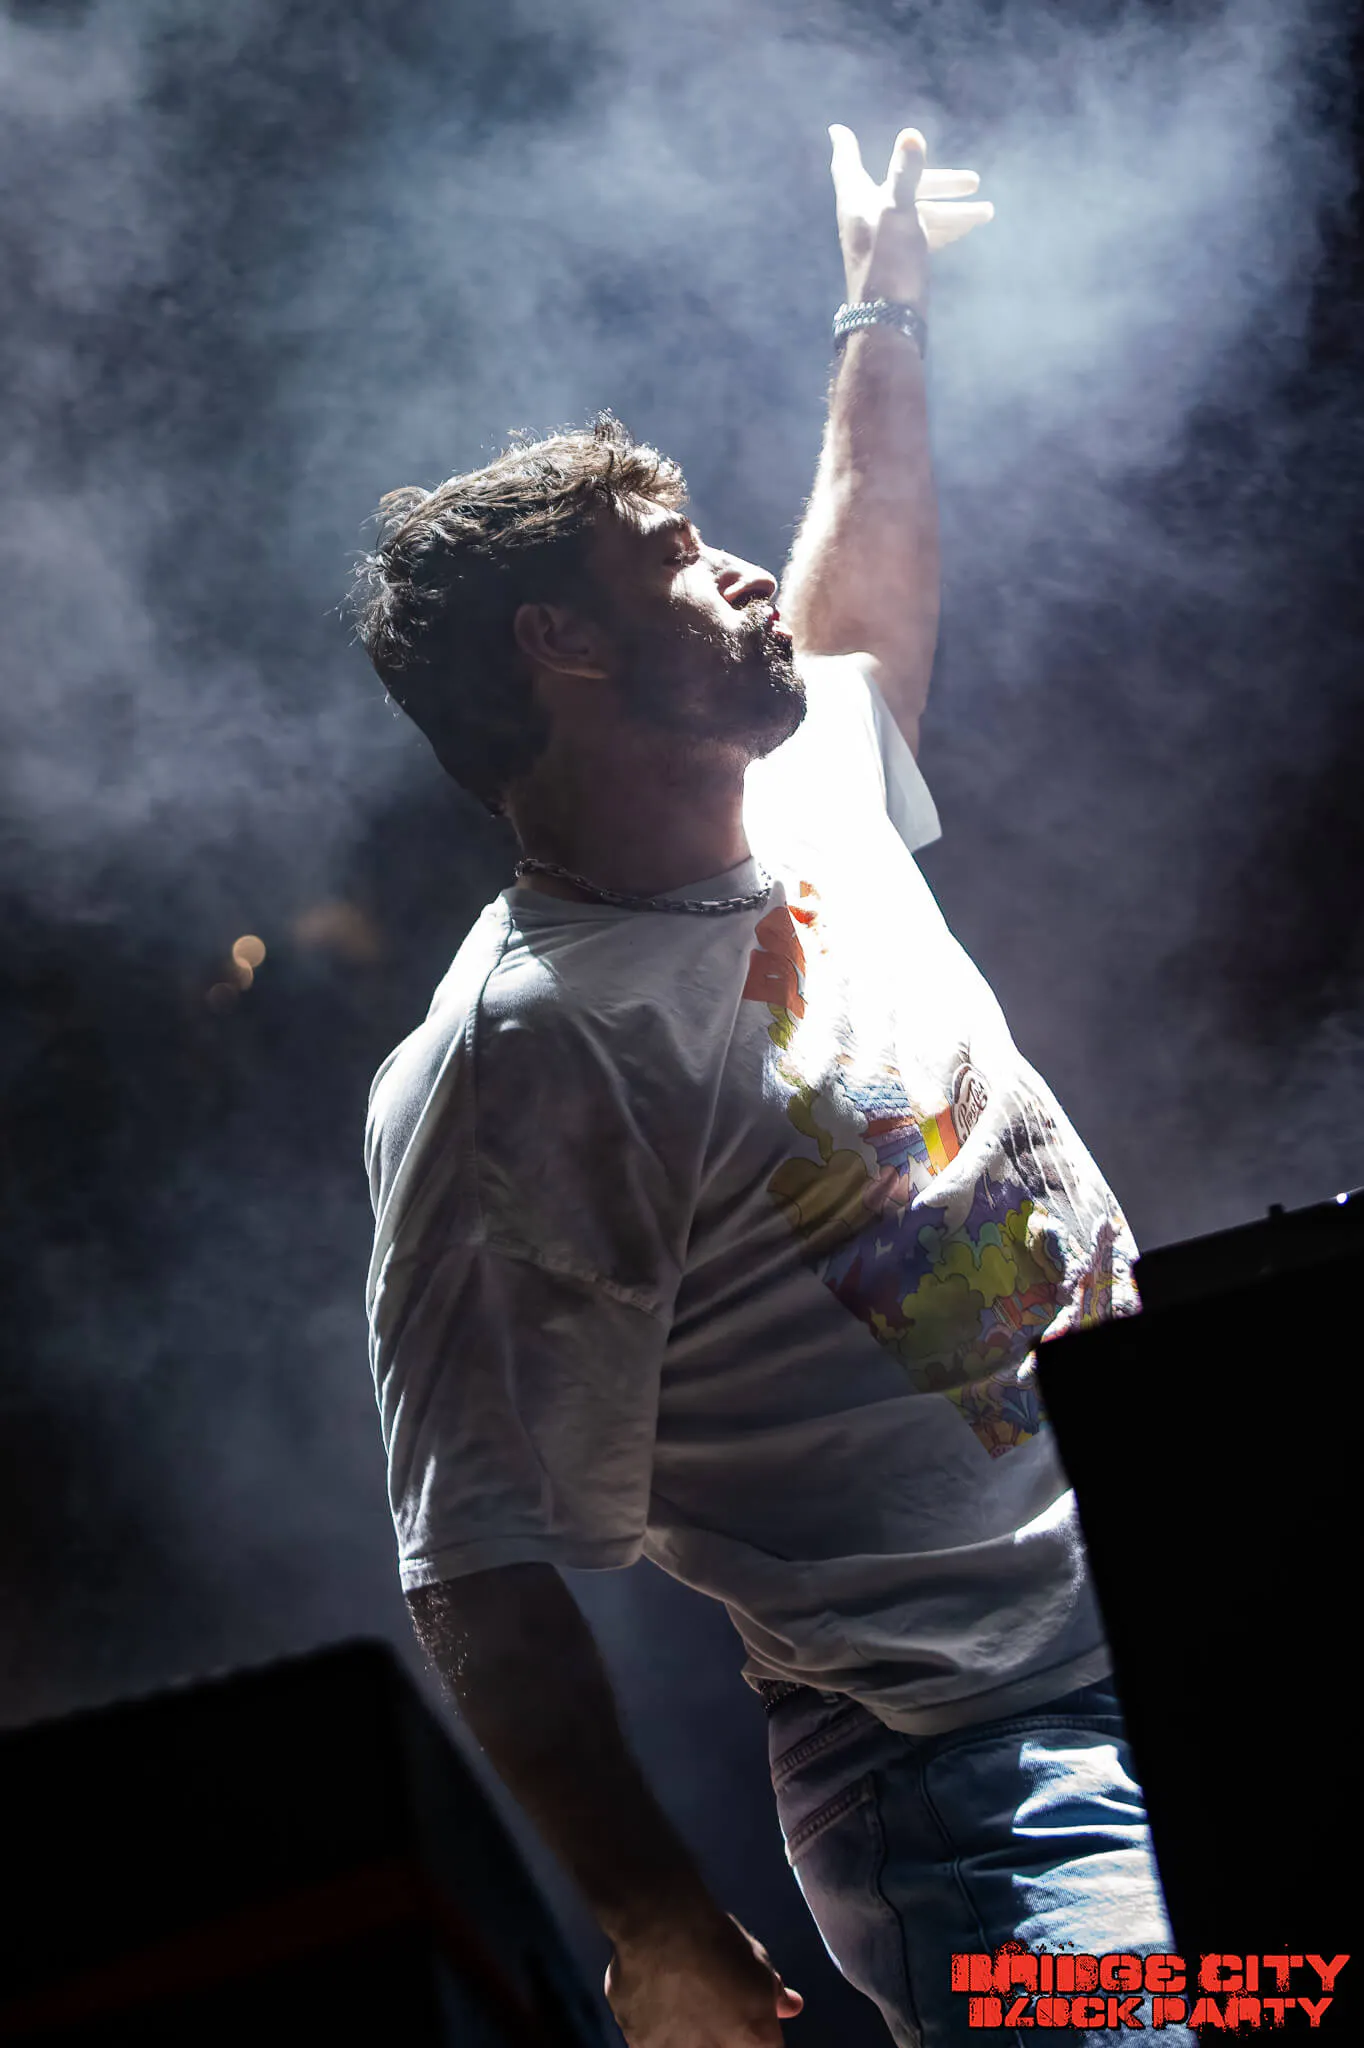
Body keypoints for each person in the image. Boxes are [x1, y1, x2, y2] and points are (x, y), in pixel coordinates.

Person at [352, 125, 1193, 2048]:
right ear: (559, 648)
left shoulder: (798, 793)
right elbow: (474, 1555)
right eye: (672, 558)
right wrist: (651, 1919)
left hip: (1218, 1593)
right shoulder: (522, 1057)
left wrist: (881, 304)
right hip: (988, 1771)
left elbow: (857, 603)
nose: (737, 574)